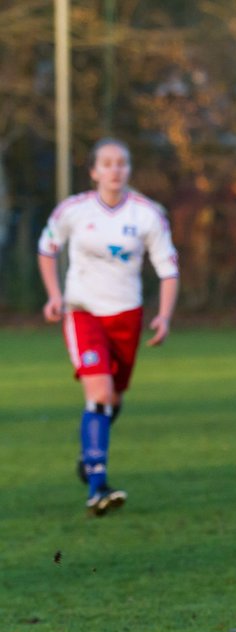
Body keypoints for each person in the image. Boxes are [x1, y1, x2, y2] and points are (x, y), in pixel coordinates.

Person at [38, 138, 180, 516]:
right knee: (99, 392)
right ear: (94, 171)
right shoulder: (73, 210)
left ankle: (89, 459)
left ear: (129, 169)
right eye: (107, 163)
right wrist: (54, 295)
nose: (115, 170)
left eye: (122, 163)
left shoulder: (147, 215)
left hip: (127, 316)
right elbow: (47, 248)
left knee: (112, 400)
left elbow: (168, 270)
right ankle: (97, 486)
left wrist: (164, 316)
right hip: (83, 311)